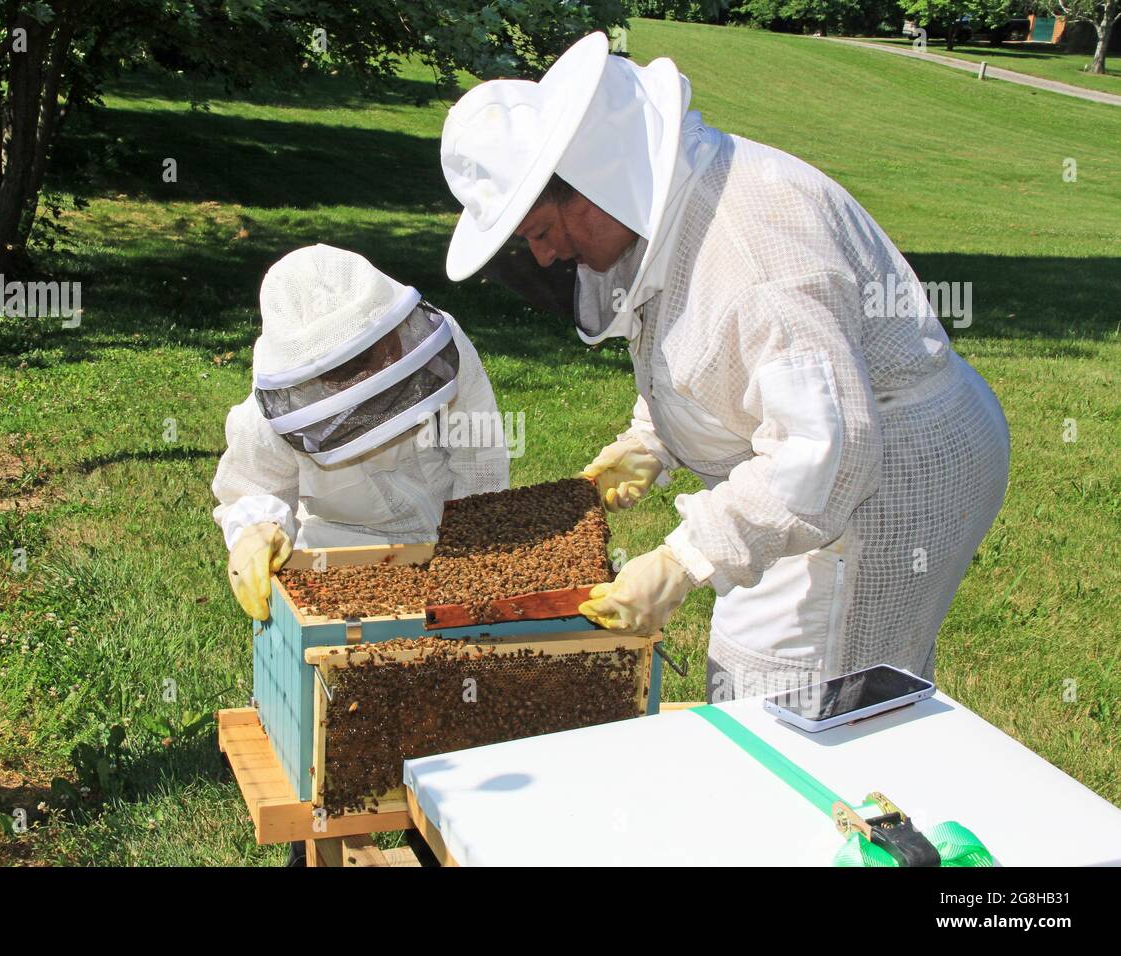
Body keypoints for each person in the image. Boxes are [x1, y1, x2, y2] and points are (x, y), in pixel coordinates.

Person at [439, 33, 1010, 701]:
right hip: (830, 453)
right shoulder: (673, 216)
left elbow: (830, 450)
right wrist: (649, 439)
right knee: (800, 687)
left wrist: (682, 560)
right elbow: (708, 347)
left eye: (541, 232)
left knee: (796, 692)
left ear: (593, 188)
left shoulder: (756, 253)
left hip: (878, 476)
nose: (543, 257)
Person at [212, 243, 509, 621]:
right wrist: (257, 529)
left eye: (370, 355)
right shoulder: (265, 421)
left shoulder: (438, 348)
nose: (368, 379)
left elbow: (479, 455)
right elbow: (251, 490)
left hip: (448, 530)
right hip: (339, 551)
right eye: (343, 372)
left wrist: (472, 548)